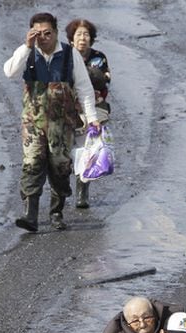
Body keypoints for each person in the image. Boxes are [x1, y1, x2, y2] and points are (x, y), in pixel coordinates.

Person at [3, 12, 100, 233]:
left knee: (60, 168)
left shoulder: (69, 54)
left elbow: (84, 88)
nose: (44, 38)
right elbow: (9, 72)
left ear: (56, 33)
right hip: (33, 123)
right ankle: (30, 215)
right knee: (32, 164)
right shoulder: (27, 53)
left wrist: (92, 118)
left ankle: (56, 212)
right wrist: (26, 46)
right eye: (39, 34)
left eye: (48, 33)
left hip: (62, 124)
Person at [66, 18, 111, 209]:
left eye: (86, 35)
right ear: (71, 39)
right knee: (65, 150)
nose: (82, 39)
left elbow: (102, 83)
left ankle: (82, 191)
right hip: (68, 109)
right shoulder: (64, 57)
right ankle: (60, 189)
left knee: (87, 149)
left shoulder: (99, 58)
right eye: (78, 35)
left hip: (94, 109)